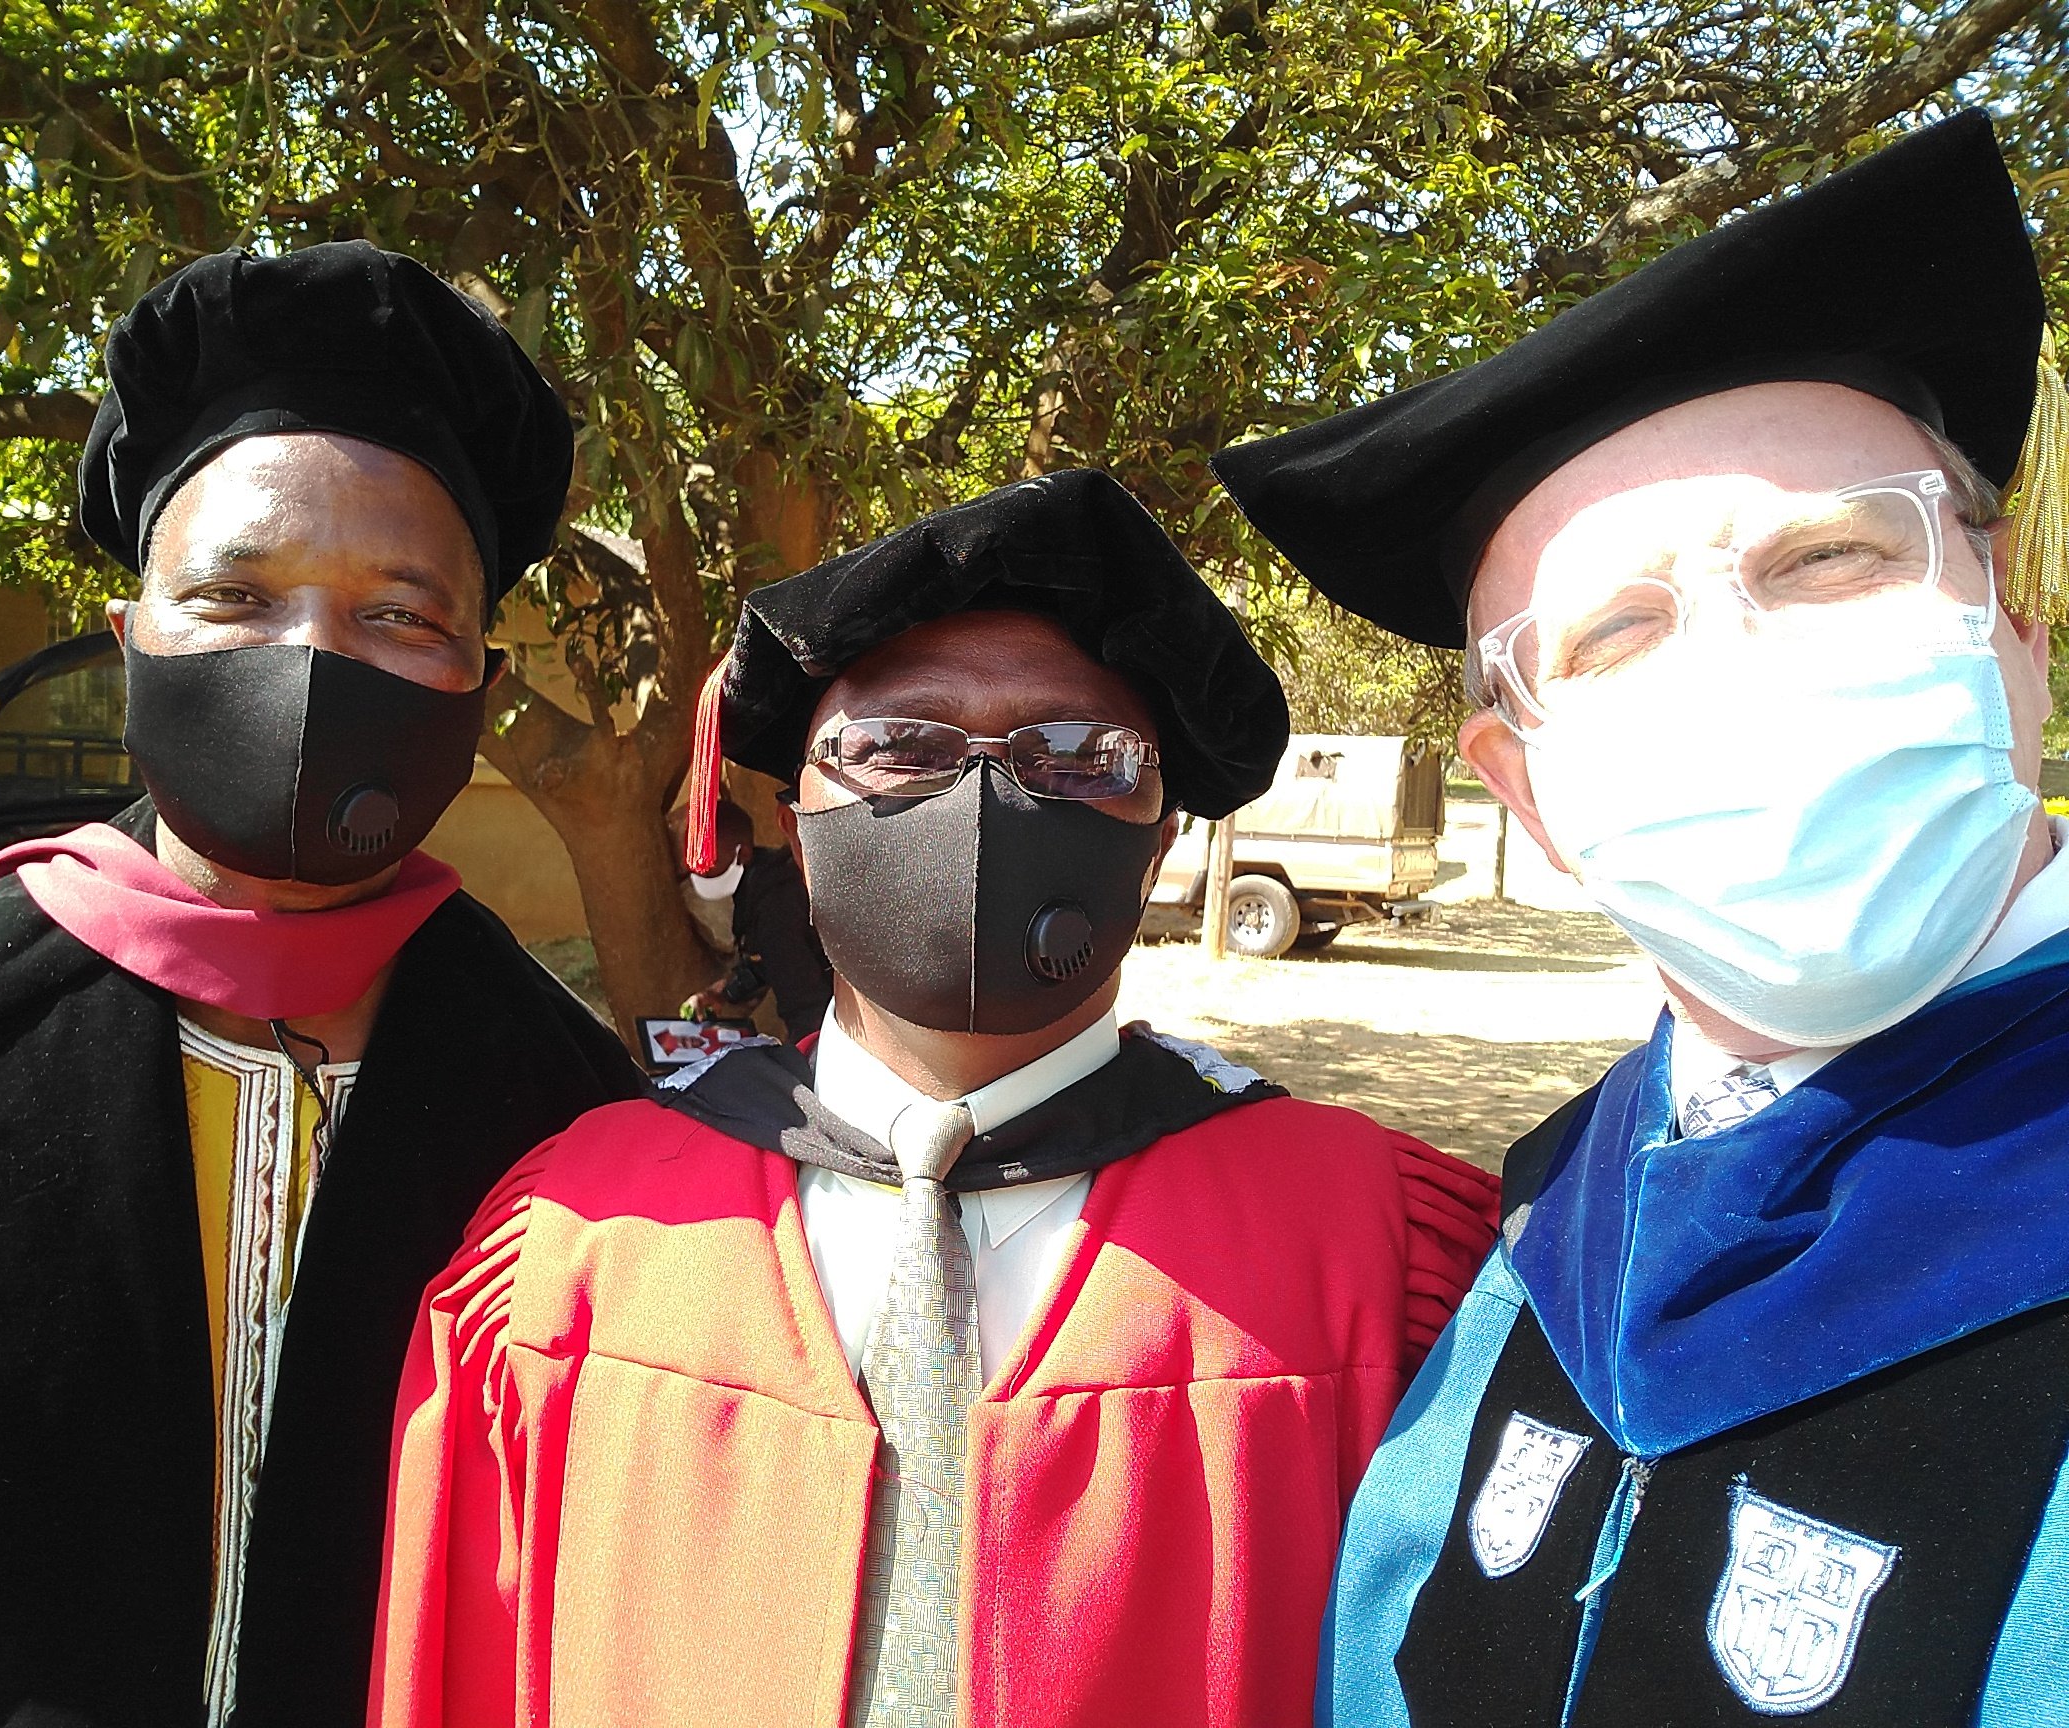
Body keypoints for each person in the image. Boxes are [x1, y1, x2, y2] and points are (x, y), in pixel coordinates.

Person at [367, 468, 1500, 1727]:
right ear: (800, 823)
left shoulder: (1374, 1247)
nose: (980, 804)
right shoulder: (581, 1233)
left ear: (1161, 839)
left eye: (1077, 756)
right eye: (894, 748)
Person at [1212, 111, 2069, 1725]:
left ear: (2007, 608)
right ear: (1522, 789)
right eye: (1613, 631)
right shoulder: (1550, 1232)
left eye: (1824, 555)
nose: (1731, 672)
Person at [0, 242, 647, 1728]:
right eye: (234, 596)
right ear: (130, 647)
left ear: (481, 685)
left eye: (401, 615)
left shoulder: (572, 1117)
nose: (309, 659)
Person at [682, 797, 836, 1041]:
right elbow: (764, 961)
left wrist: (809, 1057)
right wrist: (723, 993)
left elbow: (804, 1002)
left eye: (708, 862)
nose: (698, 871)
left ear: (741, 853)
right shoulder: (759, 883)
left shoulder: (775, 904)